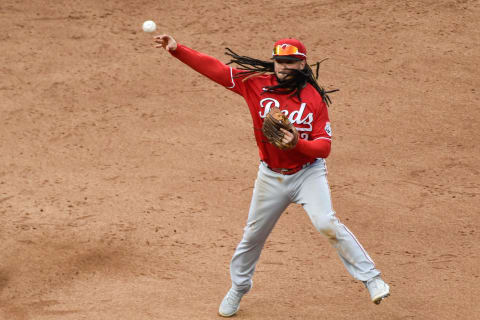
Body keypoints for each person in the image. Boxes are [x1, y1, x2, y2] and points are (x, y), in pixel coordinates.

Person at [153, 34, 390, 317]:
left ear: (302, 64)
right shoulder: (254, 84)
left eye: (290, 61)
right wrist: (178, 50)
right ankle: (239, 288)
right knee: (252, 236)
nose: (283, 66)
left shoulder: (314, 99)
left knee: (326, 222)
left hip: (307, 174)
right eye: (279, 61)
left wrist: (297, 145)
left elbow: (324, 148)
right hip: (271, 176)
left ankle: (371, 278)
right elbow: (216, 69)